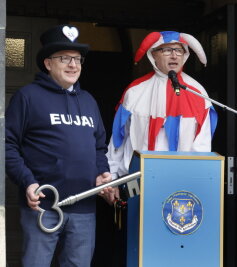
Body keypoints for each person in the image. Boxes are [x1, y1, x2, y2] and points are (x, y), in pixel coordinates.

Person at [5, 24, 112, 267]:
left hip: (84, 207)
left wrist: (101, 172)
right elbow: (7, 144)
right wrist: (27, 181)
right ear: (48, 63)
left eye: (77, 59)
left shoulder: (88, 101)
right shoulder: (28, 97)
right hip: (44, 206)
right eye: (65, 58)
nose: (73, 65)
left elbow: (99, 147)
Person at [107, 31, 218, 193]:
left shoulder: (198, 93)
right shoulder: (135, 91)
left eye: (179, 50)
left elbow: (202, 145)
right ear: (153, 55)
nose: (174, 55)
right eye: (167, 50)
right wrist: (112, 178)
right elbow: (119, 139)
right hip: (136, 182)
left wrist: (196, 180)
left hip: (181, 182)